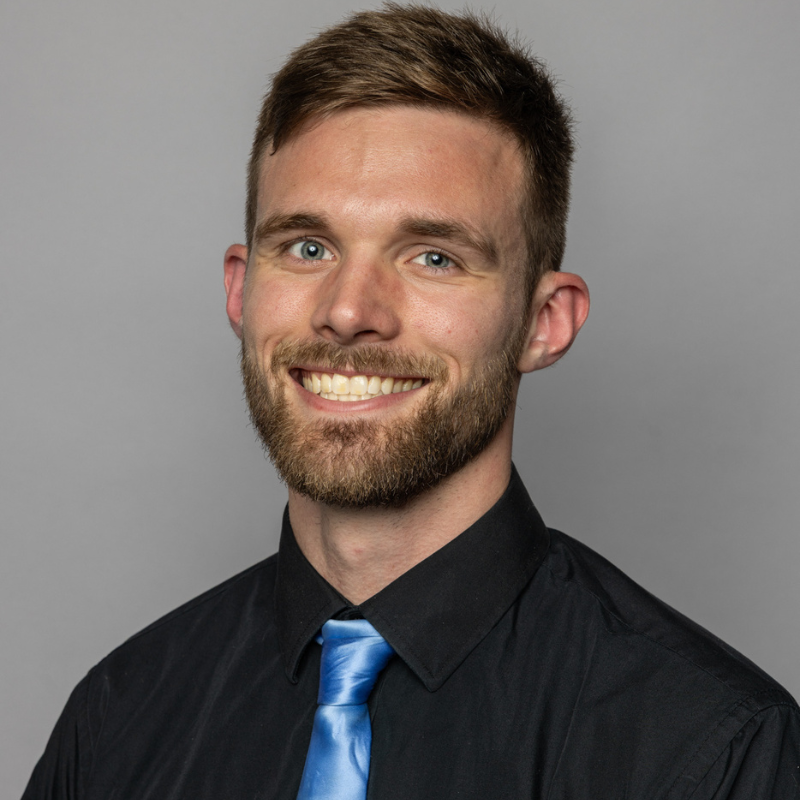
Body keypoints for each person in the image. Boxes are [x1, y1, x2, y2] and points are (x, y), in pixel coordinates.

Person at [23, 5, 799, 799]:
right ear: (240, 289)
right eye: (307, 247)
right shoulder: (116, 722)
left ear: (544, 322)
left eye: (433, 257)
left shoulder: (713, 750)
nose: (348, 311)